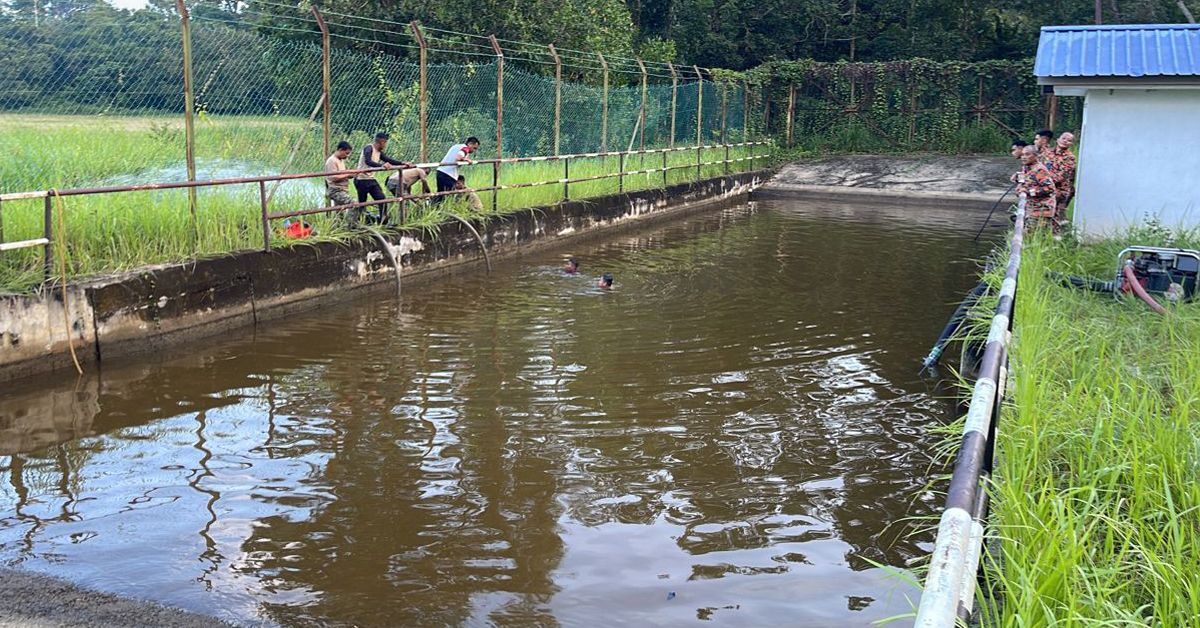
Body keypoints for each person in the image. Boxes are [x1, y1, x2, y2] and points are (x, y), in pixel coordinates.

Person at [356, 132, 411, 222]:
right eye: (385, 143)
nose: (385, 145)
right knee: (362, 204)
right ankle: (360, 223)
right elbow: (368, 161)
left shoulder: (379, 152)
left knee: (382, 199)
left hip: (371, 179)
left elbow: (388, 160)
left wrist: (403, 163)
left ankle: (383, 221)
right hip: (362, 179)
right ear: (382, 142)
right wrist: (381, 165)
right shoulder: (369, 148)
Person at [1017, 145, 1057, 232]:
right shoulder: (1027, 167)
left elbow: (1049, 188)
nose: (1023, 157)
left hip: (1041, 210)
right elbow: (1028, 181)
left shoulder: (1039, 170)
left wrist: (1028, 192)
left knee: (1031, 235)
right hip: (1032, 208)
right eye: (1022, 155)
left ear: (1036, 156)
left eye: (1027, 154)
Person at [324, 141, 360, 226]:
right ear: (340, 150)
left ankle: (337, 229)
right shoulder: (331, 161)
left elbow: (341, 173)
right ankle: (350, 226)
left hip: (343, 189)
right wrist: (348, 175)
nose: (347, 156)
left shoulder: (340, 160)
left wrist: (350, 174)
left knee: (339, 213)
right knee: (354, 203)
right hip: (336, 190)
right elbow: (332, 177)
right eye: (346, 153)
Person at [1044, 131, 1077, 224]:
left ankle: (1061, 235)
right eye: (1063, 138)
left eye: (1069, 140)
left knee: (1057, 216)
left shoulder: (1070, 158)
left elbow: (1062, 176)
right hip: (1046, 188)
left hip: (1060, 191)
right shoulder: (1047, 153)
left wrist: (1042, 182)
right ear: (1058, 140)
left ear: (1071, 144)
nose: (1065, 141)